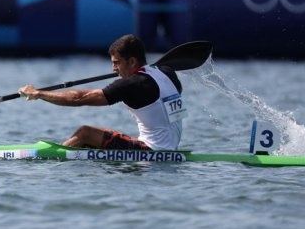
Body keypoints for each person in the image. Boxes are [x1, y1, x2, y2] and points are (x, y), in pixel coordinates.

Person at [18, 34, 184, 150]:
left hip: (150, 151)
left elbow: (79, 98)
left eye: (117, 63)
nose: (113, 68)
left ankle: (54, 160)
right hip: (170, 149)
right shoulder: (167, 73)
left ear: (132, 61)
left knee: (85, 133)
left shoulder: (133, 84)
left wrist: (38, 93)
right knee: (91, 143)